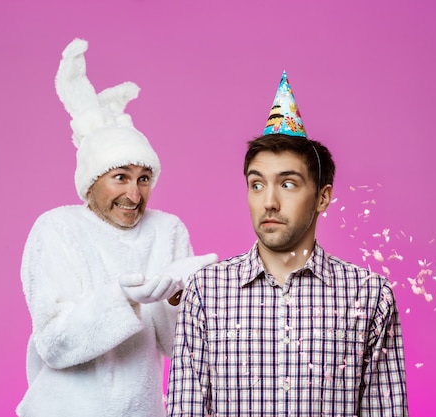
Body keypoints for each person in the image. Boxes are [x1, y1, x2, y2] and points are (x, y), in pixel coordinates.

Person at [167, 72, 408, 416]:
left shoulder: (369, 295)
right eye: (257, 184)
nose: (269, 202)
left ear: (323, 197)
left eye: (289, 184)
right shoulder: (205, 291)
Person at [16, 38, 217, 417]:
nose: (134, 193)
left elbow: (178, 347)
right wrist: (121, 298)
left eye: (144, 178)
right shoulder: (57, 229)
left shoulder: (167, 230)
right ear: (91, 183)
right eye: (120, 177)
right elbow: (56, 345)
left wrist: (177, 298)